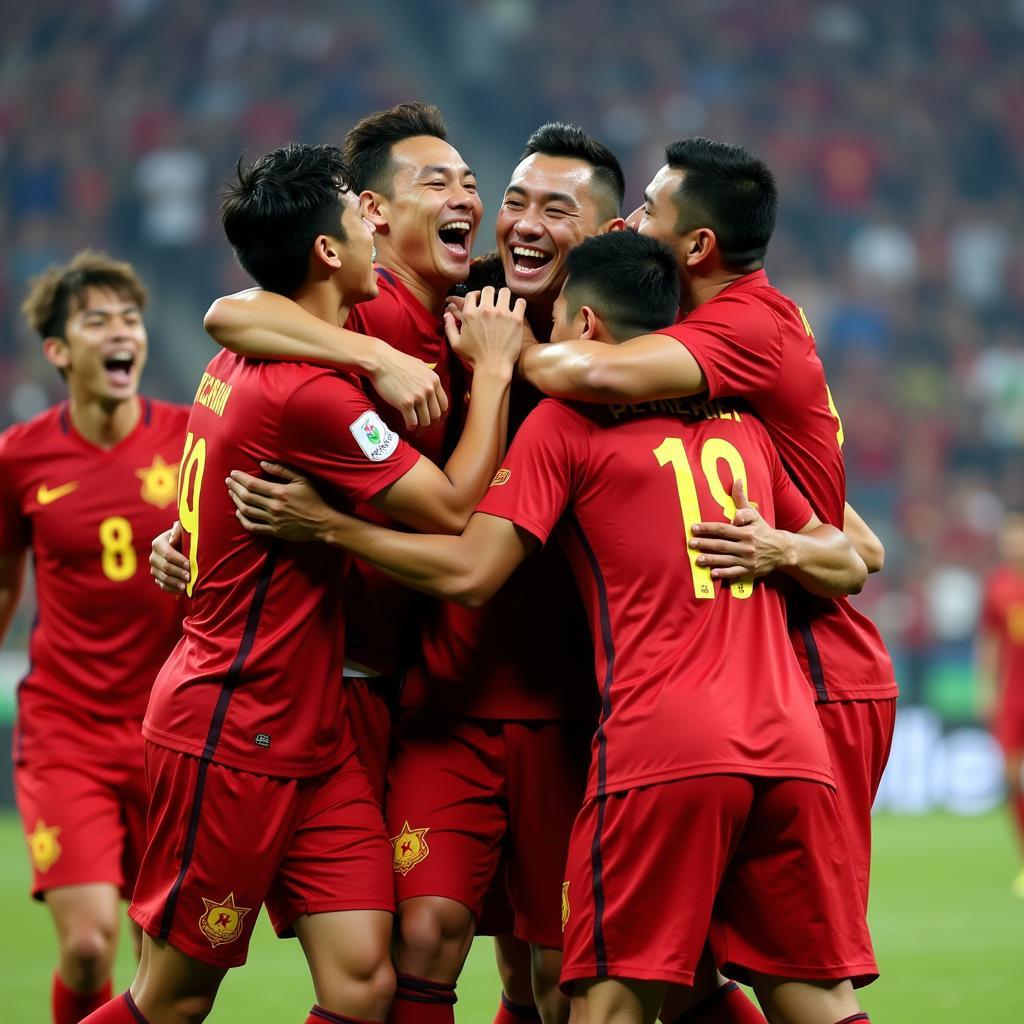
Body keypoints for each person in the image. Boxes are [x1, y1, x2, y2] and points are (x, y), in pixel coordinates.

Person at [227, 230, 877, 1024]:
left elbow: (469, 572)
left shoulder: (568, 425)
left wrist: (331, 527)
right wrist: (778, 549)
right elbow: (852, 559)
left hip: (665, 745)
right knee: (810, 996)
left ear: (586, 327)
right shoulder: (741, 421)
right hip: (791, 748)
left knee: (601, 1001)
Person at [85, 142, 523, 1024]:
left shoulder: (262, 359)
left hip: (313, 727)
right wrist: (497, 373)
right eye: (362, 216)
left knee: (365, 981)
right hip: (233, 720)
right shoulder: (311, 391)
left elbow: (233, 319)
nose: (373, 226)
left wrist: (190, 540)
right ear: (329, 249)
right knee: (171, 999)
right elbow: (446, 508)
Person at [202, 122, 627, 1024]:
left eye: (556, 209)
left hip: (574, 701)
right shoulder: (440, 308)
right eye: (512, 200)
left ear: (613, 232)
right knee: (420, 939)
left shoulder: (624, 343)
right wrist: (377, 355)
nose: (514, 221)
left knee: (549, 977)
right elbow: (235, 313)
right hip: (436, 693)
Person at [517, 138, 899, 940]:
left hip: (814, 667)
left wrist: (505, 354)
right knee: (695, 962)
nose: (627, 220)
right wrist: (815, 542)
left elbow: (591, 373)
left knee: (795, 963)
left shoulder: (740, 323)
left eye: (648, 211)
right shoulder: (726, 332)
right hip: (763, 670)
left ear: (698, 246)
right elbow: (859, 542)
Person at [201, 101, 481, 803]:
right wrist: (372, 353)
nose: (464, 199)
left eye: (471, 183)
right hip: (336, 669)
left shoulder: (475, 303)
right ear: (372, 213)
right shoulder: (371, 303)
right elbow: (229, 314)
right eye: (436, 183)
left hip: (422, 668)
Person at [0, 251, 188, 1024]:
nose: (121, 333)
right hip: (65, 729)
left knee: (156, 965)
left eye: (130, 319)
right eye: (97, 320)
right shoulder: (19, 456)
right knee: (87, 945)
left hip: (169, 728)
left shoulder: (188, 438)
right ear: (58, 350)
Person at [977, 508, 1024, 895]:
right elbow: (990, 640)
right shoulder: (999, 586)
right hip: (1013, 698)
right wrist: (986, 687)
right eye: (1008, 535)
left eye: (1018, 534)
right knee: (1011, 781)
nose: (1012, 542)